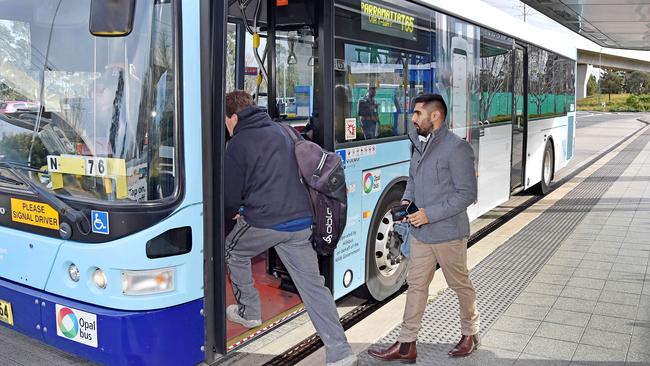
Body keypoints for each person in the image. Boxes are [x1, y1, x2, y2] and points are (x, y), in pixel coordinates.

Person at [223, 90, 357, 366]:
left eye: (225, 121)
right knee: (313, 287)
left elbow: (230, 199)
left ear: (234, 117)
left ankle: (250, 312)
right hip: (302, 222)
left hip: (267, 222)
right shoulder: (284, 130)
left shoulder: (239, 143)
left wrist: (229, 219)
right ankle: (340, 352)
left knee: (232, 250)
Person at [368, 94, 480, 362]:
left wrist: (428, 214)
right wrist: (407, 201)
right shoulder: (417, 144)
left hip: (449, 233)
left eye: (418, 113)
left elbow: (467, 194)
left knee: (459, 284)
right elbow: (413, 179)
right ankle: (407, 345)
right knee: (416, 285)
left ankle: (471, 333)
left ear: (435, 116)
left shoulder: (457, 148)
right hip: (421, 233)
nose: (413, 118)